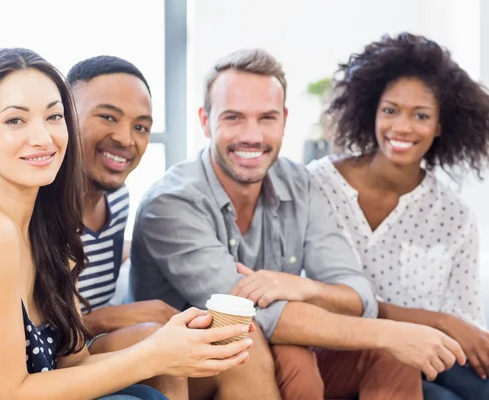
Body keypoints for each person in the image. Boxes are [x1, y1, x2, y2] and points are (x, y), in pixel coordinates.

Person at [0, 47, 254, 400]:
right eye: (15, 120)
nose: (43, 137)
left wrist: (173, 346)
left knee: (157, 376)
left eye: (54, 117)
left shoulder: (48, 232)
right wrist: (154, 354)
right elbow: (8, 394)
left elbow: (73, 363)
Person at [129, 47, 468, 400]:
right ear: (205, 120)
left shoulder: (300, 184)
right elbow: (252, 315)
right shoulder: (171, 203)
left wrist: (306, 287)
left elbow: (358, 293)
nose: (252, 135)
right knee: (296, 351)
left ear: (284, 120)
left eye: (267, 118)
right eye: (233, 117)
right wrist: (391, 332)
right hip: (197, 369)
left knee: (391, 359)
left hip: (269, 350)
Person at [307, 32, 489, 400]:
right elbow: (316, 298)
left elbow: (465, 330)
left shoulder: (453, 216)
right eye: (390, 110)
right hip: (337, 352)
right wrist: (436, 321)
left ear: (440, 126)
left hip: (428, 358)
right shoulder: (316, 186)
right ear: (372, 110)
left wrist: (447, 328)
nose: (402, 127)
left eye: (420, 115)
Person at [66, 55, 185, 399]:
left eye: (141, 127)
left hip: (93, 350)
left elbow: (100, 254)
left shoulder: (118, 201)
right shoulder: (39, 211)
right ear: (64, 116)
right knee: (155, 337)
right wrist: (108, 317)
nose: (126, 138)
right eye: (107, 117)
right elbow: (32, 333)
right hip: (51, 363)